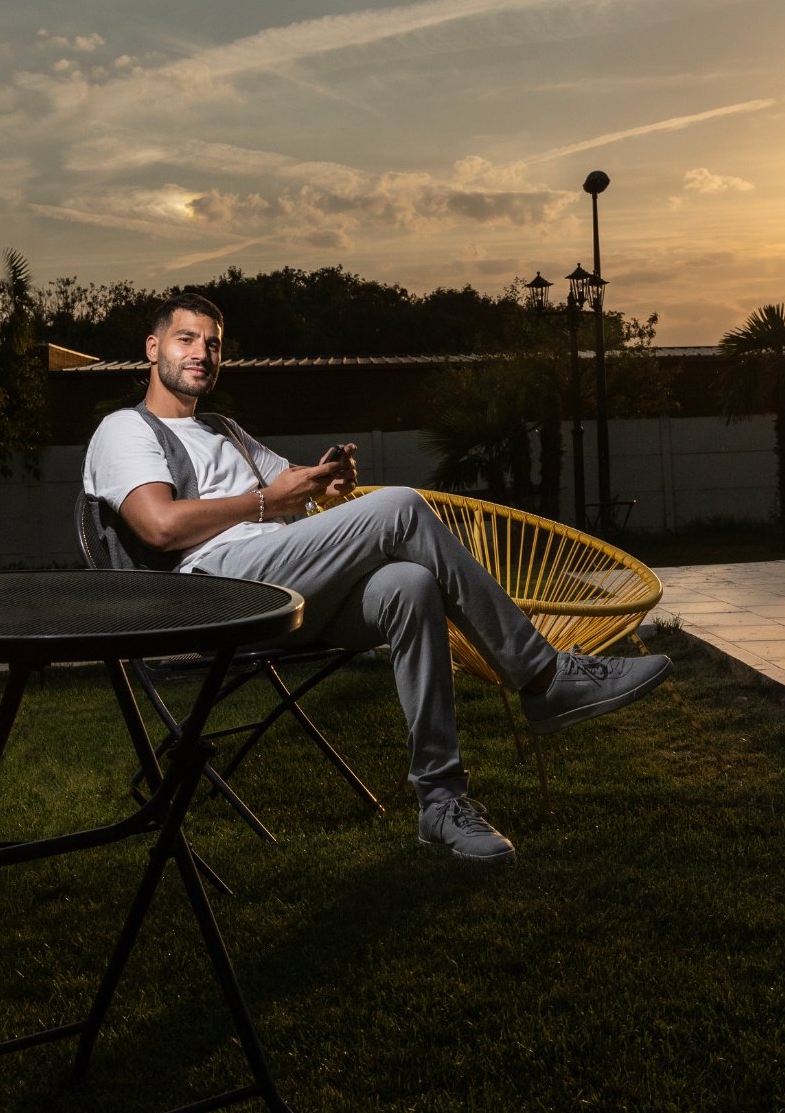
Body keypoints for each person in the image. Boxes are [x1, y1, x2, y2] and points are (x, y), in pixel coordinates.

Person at [82, 292, 671, 863]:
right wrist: (266, 501)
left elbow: (297, 485)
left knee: (411, 585)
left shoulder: (224, 429)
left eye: (213, 344)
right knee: (401, 505)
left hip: (284, 594)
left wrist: (326, 480)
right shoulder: (125, 430)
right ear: (153, 346)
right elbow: (157, 527)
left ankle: (441, 802)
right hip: (212, 597)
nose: (202, 353)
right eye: (187, 339)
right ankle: (544, 675)